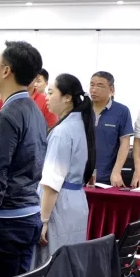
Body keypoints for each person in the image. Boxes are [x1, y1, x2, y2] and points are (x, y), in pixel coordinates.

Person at [0, 41, 47, 277]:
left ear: (6, 70)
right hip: (28, 212)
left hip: (8, 220)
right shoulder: (33, 109)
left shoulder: (8, 115)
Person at [37, 74, 95, 265]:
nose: (46, 97)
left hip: (59, 203)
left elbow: (52, 183)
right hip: (76, 199)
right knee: (70, 263)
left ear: (67, 97)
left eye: (51, 92)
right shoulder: (79, 124)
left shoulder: (62, 132)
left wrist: (43, 220)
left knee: (51, 263)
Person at [88, 71, 134, 186]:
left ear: (111, 89)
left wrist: (116, 172)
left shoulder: (121, 111)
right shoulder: (82, 109)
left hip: (107, 176)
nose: (94, 90)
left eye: (100, 86)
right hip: (80, 175)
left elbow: (125, 143)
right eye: (92, 85)